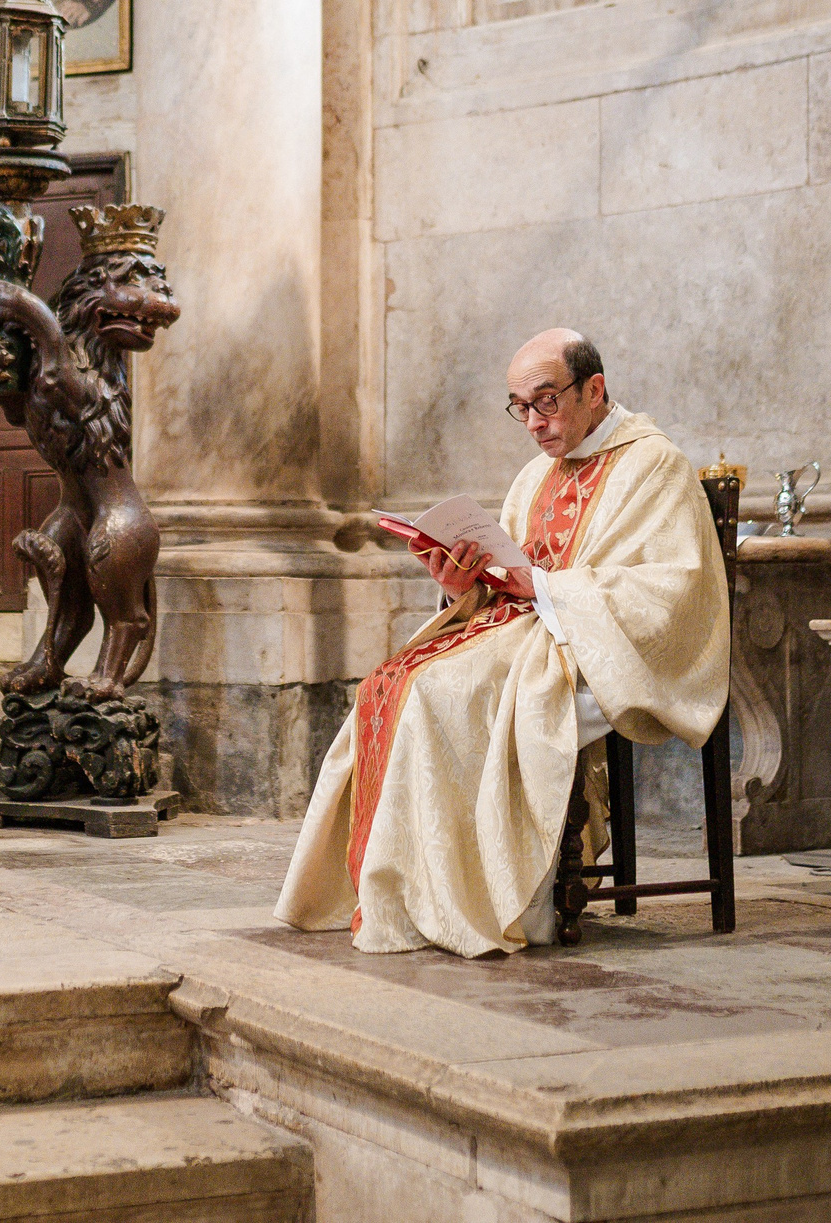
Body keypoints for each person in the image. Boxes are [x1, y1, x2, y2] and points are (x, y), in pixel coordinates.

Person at [274, 329, 730, 956]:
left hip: (602, 651)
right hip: (527, 635)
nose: (535, 422)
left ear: (594, 389)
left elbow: (671, 592)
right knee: (390, 682)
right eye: (521, 407)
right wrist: (460, 585)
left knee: (439, 694)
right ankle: (405, 892)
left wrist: (540, 585)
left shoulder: (655, 465)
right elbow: (507, 577)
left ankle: (472, 899)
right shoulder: (535, 476)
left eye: (547, 401)